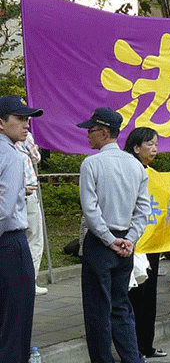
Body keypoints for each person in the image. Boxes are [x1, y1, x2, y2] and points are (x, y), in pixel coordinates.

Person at [78, 107, 150, 363]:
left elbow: (90, 209)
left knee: (98, 310)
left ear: (105, 132)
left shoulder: (92, 163)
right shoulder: (135, 165)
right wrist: (130, 238)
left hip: (101, 243)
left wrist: (109, 239)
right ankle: (132, 358)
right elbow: (144, 209)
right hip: (126, 244)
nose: (88, 135)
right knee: (121, 307)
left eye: (91, 130)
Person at [0, 95, 43, 363]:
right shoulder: (12, 155)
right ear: (1, 123)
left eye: (27, 119)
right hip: (10, 243)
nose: (26, 125)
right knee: (15, 322)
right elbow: (4, 210)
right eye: (19, 118)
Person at [124, 127, 167, 359]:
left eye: (156, 143)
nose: (154, 148)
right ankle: (133, 348)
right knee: (135, 297)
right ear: (136, 147)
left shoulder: (152, 174)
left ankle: (145, 346)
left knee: (148, 296)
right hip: (132, 243)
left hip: (151, 242)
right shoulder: (129, 171)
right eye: (149, 143)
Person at [15, 131, 48, 295]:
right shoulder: (24, 135)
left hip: (10, 195)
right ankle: (29, 282)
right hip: (27, 192)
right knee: (34, 239)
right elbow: (36, 157)